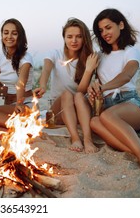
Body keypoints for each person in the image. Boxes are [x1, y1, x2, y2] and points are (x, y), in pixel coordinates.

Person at [84, 8, 140, 168]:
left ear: (121, 25)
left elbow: (126, 75)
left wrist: (104, 87)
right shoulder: (100, 56)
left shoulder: (131, 51)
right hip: (108, 106)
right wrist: (93, 88)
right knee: (94, 121)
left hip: (130, 104)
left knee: (107, 116)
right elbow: (96, 82)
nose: (104, 33)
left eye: (108, 27)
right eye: (100, 30)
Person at [34, 18, 99, 153]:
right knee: (67, 94)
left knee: (79, 96)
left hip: (80, 108)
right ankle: (75, 138)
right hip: (57, 112)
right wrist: (42, 85)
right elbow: (46, 69)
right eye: (69, 36)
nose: (73, 41)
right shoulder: (55, 54)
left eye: (78, 37)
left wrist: (88, 70)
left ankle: (87, 140)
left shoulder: (90, 58)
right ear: (64, 37)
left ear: (84, 38)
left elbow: (81, 91)